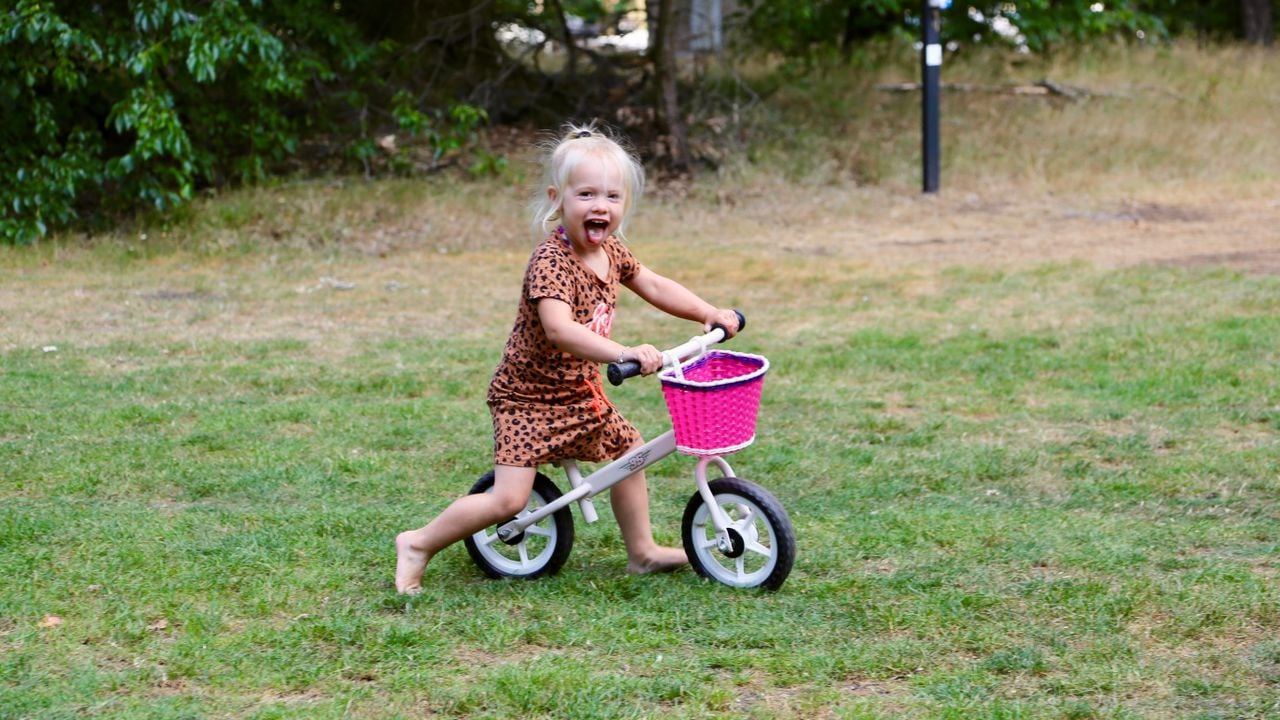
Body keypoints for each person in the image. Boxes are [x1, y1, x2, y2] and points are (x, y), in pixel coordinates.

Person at [394, 123, 740, 594]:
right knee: (508, 499)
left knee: (630, 453)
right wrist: (625, 353)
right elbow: (560, 330)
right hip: (528, 398)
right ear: (559, 199)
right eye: (587, 194)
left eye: (613, 197)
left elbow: (654, 284)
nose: (601, 206)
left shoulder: (612, 251)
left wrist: (707, 312)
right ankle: (417, 543)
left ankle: (642, 552)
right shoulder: (550, 262)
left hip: (579, 391)